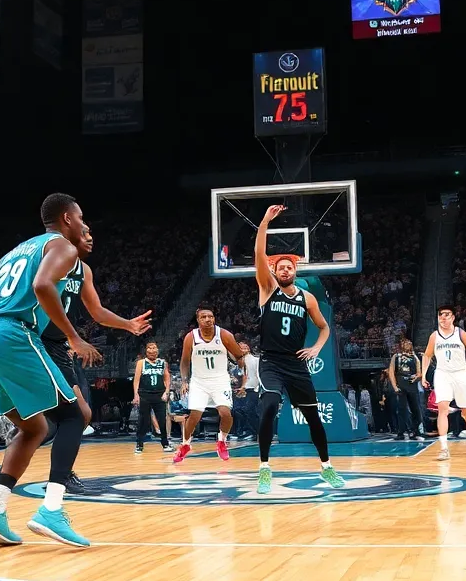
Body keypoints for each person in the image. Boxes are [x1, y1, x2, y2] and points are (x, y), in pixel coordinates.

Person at [0, 193, 101, 548]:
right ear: (67, 218)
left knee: (33, 427)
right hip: (12, 333)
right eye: (80, 217)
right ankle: (51, 509)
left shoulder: (17, 251)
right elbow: (41, 286)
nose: (83, 224)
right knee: (75, 416)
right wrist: (74, 337)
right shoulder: (62, 247)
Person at [36, 222, 151, 493]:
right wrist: (74, 338)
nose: (90, 238)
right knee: (73, 415)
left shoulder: (84, 270)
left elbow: (97, 311)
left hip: (57, 344)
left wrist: (128, 324)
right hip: (36, 340)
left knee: (80, 415)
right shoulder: (48, 259)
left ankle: (49, 471)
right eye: (85, 233)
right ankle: (57, 476)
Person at [253, 205, 342, 494]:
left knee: (313, 418)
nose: (285, 269)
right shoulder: (268, 289)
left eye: (289, 267)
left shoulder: (307, 299)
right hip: (271, 362)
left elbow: (324, 327)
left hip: (296, 364)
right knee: (269, 406)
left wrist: (316, 348)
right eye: (281, 267)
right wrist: (265, 221)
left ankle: (327, 467)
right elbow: (259, 254)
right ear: (274, 271)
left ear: (295, 271)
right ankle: (264, 469)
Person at [175, 307, 245, 463]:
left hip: (220, 380)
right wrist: (184, 381)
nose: (208, 319)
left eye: (210, 316)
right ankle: (185, 444)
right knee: (194, 415)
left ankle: (222, 441)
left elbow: (239, 355)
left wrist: (241, 375)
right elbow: (185, 362)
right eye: (203, 317)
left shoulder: (224, 335)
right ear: (198, 320)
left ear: (214, 319)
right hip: (199, 381)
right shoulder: (191, 337)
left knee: (225, 413)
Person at [422, 306, 466, 459]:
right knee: (442, 409)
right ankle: (444, 448)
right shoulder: (434, 336)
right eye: (440, 315)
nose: (443, 317)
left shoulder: (461, 333)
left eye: (447, 314)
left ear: (453, 317)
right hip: (442, 374)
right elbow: (427, 355)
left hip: (461, 374)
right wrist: (423, 375)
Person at [133, 341, 172, 455]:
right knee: (143, 420)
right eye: (149, 348)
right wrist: (136, 395)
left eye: (154, 348)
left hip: (159, 394)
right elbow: (136, 380)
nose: (152, 350)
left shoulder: (163, 363)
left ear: (157, 350)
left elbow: (167, 378)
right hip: (145, 394)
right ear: (146, 351)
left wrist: (167, 392)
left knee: (162, 420)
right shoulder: (141, 363)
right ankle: (139, 444)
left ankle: (165, 444)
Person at [388, 338, 423, 440]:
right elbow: (391, 372)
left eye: (409, 343)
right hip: (401, 384)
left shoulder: (414, 357)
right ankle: (401, 432)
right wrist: (395, 386)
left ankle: (415, 430)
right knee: (402, 409)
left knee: (415, 409)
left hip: (412, 385)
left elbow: (419, 373)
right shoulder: (396, 356)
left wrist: (417, 377)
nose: (407, 345)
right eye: (405, 343)